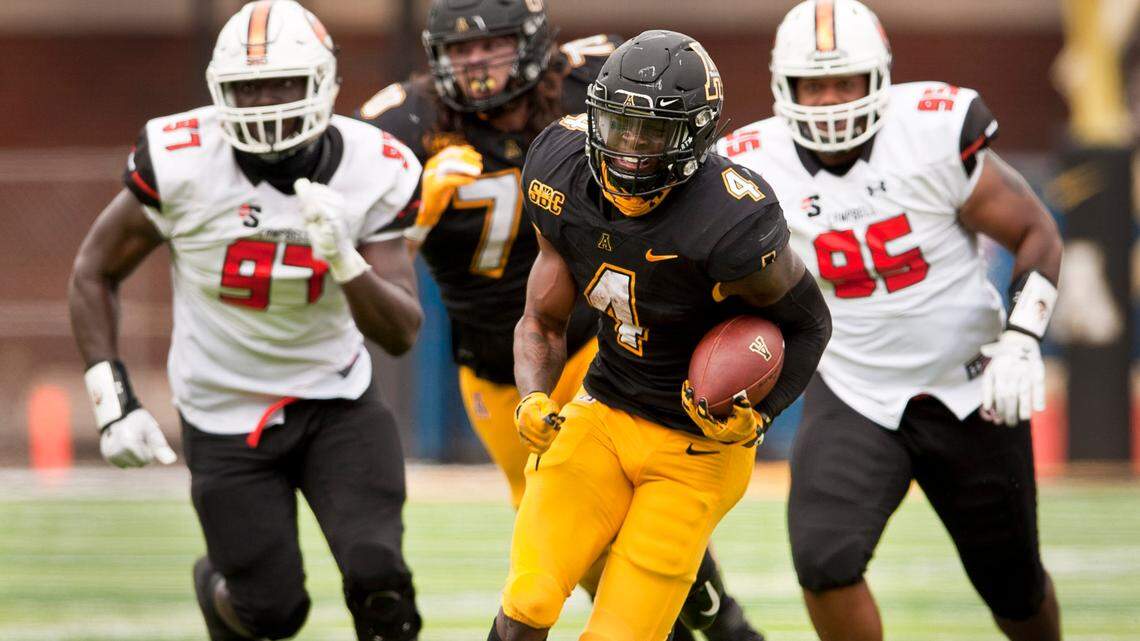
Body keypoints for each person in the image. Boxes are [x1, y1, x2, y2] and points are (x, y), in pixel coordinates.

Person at [358, 2, 763, 639]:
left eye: (489, 45)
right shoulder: (403, 124)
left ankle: (724, 624)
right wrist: (412, 218)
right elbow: (368, 277)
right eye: (458, 51)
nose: (474, 64)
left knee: (652, 517)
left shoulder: (594, 81)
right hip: (498, 364)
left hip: (595, 337)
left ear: (531, 41)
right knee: (572, 546)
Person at [68, 2, 425, 639]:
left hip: (336, 398)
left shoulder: (375, 164)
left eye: (282, 84)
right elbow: (94, 271)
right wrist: (112, 402)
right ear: (218, 91)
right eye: (247, 87)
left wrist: (346, 261)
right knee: (272, 613)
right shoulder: (181, 158)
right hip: (222, 410)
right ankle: (221, 594)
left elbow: (399, 333)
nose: (264, 103)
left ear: (324, 82)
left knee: (381, 582)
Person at [718, 1, 1064, 640]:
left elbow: (1036, 231)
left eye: (844, 82)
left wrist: (1022, 337)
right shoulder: (752, 165)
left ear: (878, 77)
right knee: (824, 562)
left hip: (970, 385)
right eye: (813, 85)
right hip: (856, 389)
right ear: (783, 87)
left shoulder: (932, 131)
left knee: (1014, 588)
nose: (830, 101)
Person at [489, 30, 832, 641]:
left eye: (650, 134)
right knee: (528, 600)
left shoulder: (730, 219)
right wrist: (534, 395)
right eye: (618, 126)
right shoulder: (558, 167)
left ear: (694, 137)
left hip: (695, 449)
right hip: (603, 410)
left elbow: (810, 324)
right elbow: (540, 320)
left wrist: (761, 415)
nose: (628, 149)